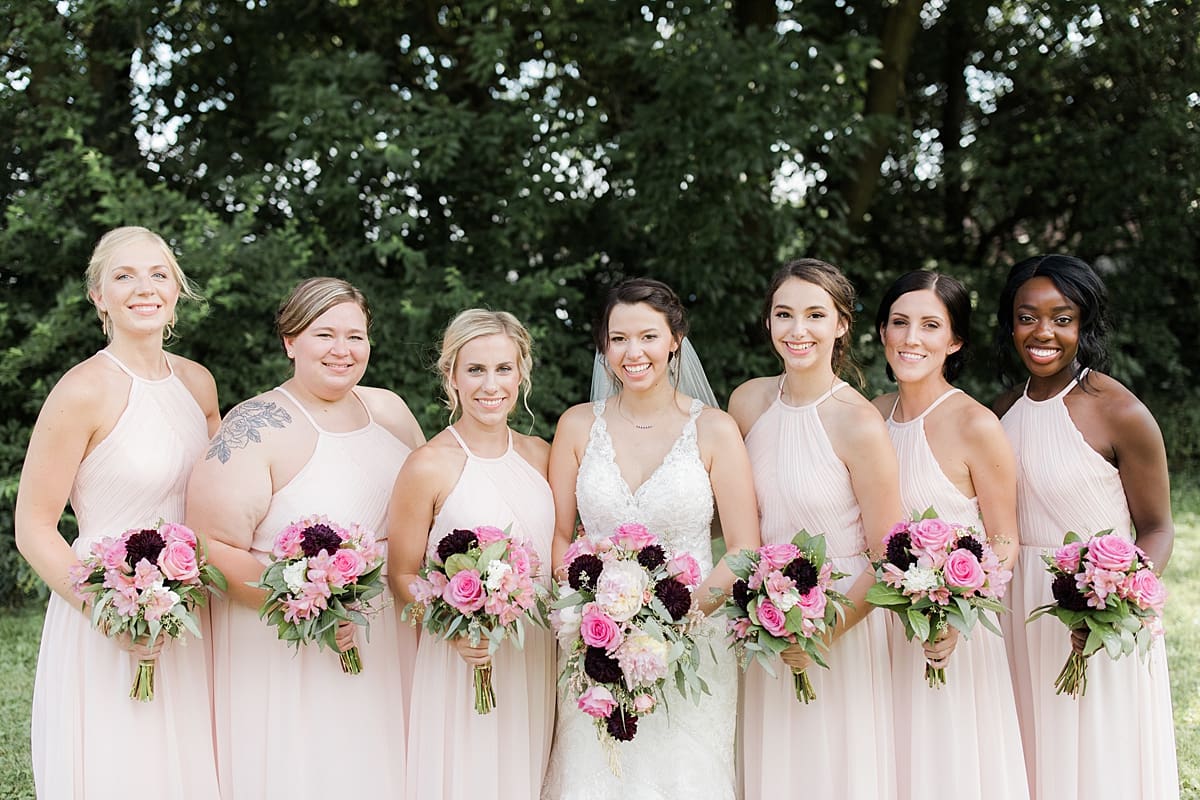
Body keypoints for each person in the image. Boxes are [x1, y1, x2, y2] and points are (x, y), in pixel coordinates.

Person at [186, 277, 425, 799]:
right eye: (324, 334)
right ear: (290, 341)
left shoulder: (389, 409)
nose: (342, 351)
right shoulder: (254, 424)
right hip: (291, 642)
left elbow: (427, 504)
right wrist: (313, 606)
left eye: (355, 336)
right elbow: (211, 545)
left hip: (390, 633)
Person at [15, 226, 222, 798]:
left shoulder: (199, 385)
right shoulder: (82, 390)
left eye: (159, 274)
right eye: (124, 276)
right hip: (106, 608)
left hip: (190, 609)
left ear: (177, 290)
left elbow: (222, 503)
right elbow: (32, 527)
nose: (144, 287)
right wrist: (109, 614)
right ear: (99, 297)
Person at [540, 278, 759, 800]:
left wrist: (674, 621)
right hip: (594, 646)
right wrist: (603, 616)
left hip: (694, 643)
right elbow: (557, 534)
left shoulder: (714, 430)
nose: (632, 352)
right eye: (618, 339)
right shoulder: (575, 426)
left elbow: (744, 547)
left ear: (675, 339)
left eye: (647, 336)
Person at [994, 254, 1178, 799]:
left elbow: (1159, 528)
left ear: (1083, 324)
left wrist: (1114, 601)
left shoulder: (1118, 410)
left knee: (1099, 759)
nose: (1043, 332)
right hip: (1017, 609)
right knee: (1029, 754)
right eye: (1028, 317)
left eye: (1062, 317)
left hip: (1095, 610)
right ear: (1011, 324)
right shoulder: (1001, 409)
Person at [729, 259, 901, 799]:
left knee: (833, 771)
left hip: (839, 619)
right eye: (784, 314)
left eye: (814, 315)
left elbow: (889, 555)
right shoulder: (747, 402)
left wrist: (821, 630)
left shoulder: (858, 421)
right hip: (764, 616)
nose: (797, 330)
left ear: (842, 324)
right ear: (769, 322)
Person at [872, 270, 1028, 800]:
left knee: (947, 768)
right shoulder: (870, 417)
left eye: (930, 325)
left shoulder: (975, 424)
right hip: (882, 621)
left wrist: (960, 608)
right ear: (882, 332)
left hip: (951, 625)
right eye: (900, 323)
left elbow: (1005, 538)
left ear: (954, 340)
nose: (912, 338)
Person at [389, 309, 555, 800]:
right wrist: (447, 628)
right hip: (462, 658)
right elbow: (402, 577)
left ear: (521, 372)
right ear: (451, 376)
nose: (491, 385)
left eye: (504, 369)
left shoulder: (541, 455)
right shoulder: (427, 465)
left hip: (534, 654)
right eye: (476, 370)